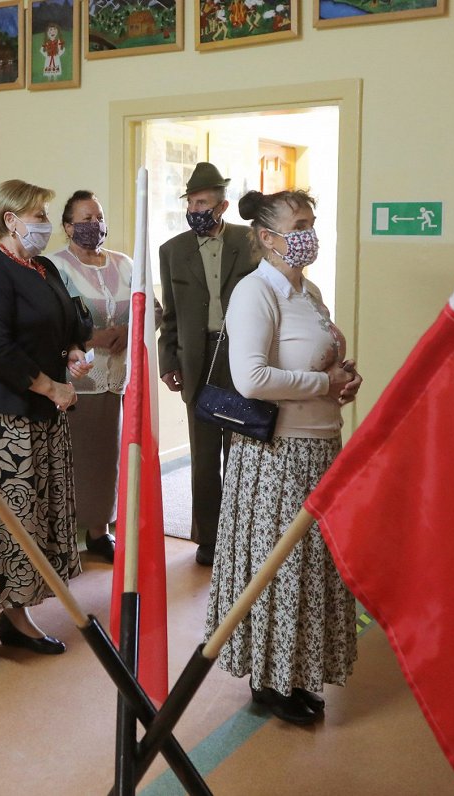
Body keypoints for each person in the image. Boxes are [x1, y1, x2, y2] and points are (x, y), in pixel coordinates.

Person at [204, 189, 362, 725]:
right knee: (279, 569)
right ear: (267, 238)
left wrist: (342, 380)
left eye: (312, 222)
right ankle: (269, 683)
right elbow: (252, 379)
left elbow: (319, 361)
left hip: (318, 448)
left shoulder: (309, 290)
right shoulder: (256, 291)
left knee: (309, 570)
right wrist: (323, 383)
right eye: (298, 223)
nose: (308, 232)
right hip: (277, 456)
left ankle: (295, 673)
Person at [0, 179, 92, 688]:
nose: (44, 223)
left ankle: (16, 617)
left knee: (35, 525)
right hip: (3, 420)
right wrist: (49, 386)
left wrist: (73, 348)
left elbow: (68, 319)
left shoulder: (44, 266)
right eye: (37, 214)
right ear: (10, 220)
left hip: (44, 418)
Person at [158, 162, 260, 565]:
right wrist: (170, 360)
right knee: (203, 457)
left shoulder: (250, 242)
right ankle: (209, 537)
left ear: (222, 205)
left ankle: (242, 534)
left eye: (202, 202)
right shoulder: (173, 251)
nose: (195, 208)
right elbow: (169, 316)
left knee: (241, 451)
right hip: (197, 361)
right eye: (191, 201)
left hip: (240, 359)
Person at [45, 191, 132, 563]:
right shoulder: (53, 265)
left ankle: (100, 530)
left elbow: (153, 310)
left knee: (106, 459)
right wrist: (90, 338)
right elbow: (49, 320)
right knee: (70, 460)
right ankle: (62, 536)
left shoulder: (125, 263)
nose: (93, 225)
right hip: (75, 379)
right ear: (67, 226)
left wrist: (129, 331)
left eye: (98, 216)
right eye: (84, 218)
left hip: (115, 378)